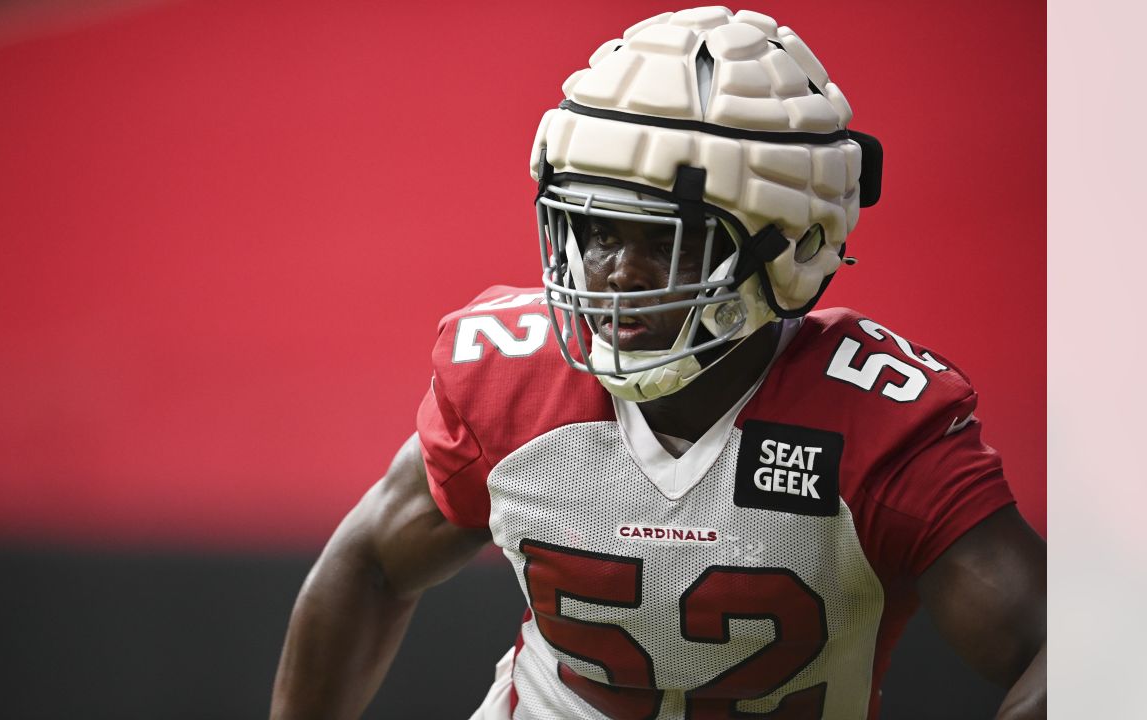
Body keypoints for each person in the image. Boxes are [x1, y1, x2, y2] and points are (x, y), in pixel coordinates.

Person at [270, 7, 1045, 719]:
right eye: (599, 230)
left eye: (668, 241)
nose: (615, 273)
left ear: (793, 246)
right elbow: (370, 565)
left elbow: (1063, 652)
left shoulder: (874, 425)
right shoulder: (513, 379)